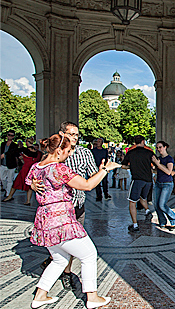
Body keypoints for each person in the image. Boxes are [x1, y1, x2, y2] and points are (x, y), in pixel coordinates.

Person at [26, 134, 120, 309]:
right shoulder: (59, 169)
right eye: (68, 151)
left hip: (44, 220)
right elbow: (87, 185)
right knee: (89, 254)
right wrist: (105, 170)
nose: (69, 154)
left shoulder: (37, 166)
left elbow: (28, 180)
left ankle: (40, 295)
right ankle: (92, 297)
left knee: (59, 259)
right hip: (61, 219)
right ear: (59, 150)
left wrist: (32, 185)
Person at [33, 121, 100, 290]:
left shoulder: (85, 152)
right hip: (58, 209)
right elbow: (37, 173)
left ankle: (58, 273)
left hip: (77, 203)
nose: (75, 137)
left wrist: (100, 172)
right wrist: (33, 184)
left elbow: (91, 176)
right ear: (62, 134)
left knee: (72, 244)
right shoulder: (53, 156)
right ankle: (67, 274)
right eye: (71, 134)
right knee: (74, 248)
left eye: (77, 135)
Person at [121, 135, 155, 232]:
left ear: (135, 142)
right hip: (148, 181)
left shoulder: (131, 153)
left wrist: (131, 168)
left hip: (137, 180)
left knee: (132, 202)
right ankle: (147, 211)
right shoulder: (149, 152)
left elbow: (123, 166)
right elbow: (155, 163)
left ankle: (135, 225)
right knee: (142, 197)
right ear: (143, 141)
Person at [2, 137, 42, 205]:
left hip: (25, 169)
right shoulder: (36, 152)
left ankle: (10, 196)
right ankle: (28, 201)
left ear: (27, 142)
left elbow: (13, 152)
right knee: (29, 186)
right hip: (31, 169)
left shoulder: (24, 150)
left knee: (16, 183)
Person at [152, 141, 175, 230]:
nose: (158, 149)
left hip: (167, 184)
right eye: (157, 147)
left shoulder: (169, 159)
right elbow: (158, 170)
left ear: (165, 147)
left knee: (162, 205)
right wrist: (154, 169)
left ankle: (174, 219)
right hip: (158, 183)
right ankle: (162, 222)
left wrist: (158, 164)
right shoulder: (158, 159)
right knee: (156, 205)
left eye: (160, 147)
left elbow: (168, 172)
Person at [1, 130, 18, 197]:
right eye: (9, 135)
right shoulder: (3, 144)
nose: (10, 136)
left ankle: (8, 194)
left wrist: (4, 154)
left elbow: (12, 152)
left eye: (11, 135)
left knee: (10, 180)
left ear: (13, 136)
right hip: (3, 164)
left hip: (11, 165)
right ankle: (6, 190)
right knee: (2, 178)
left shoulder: (14, 145)